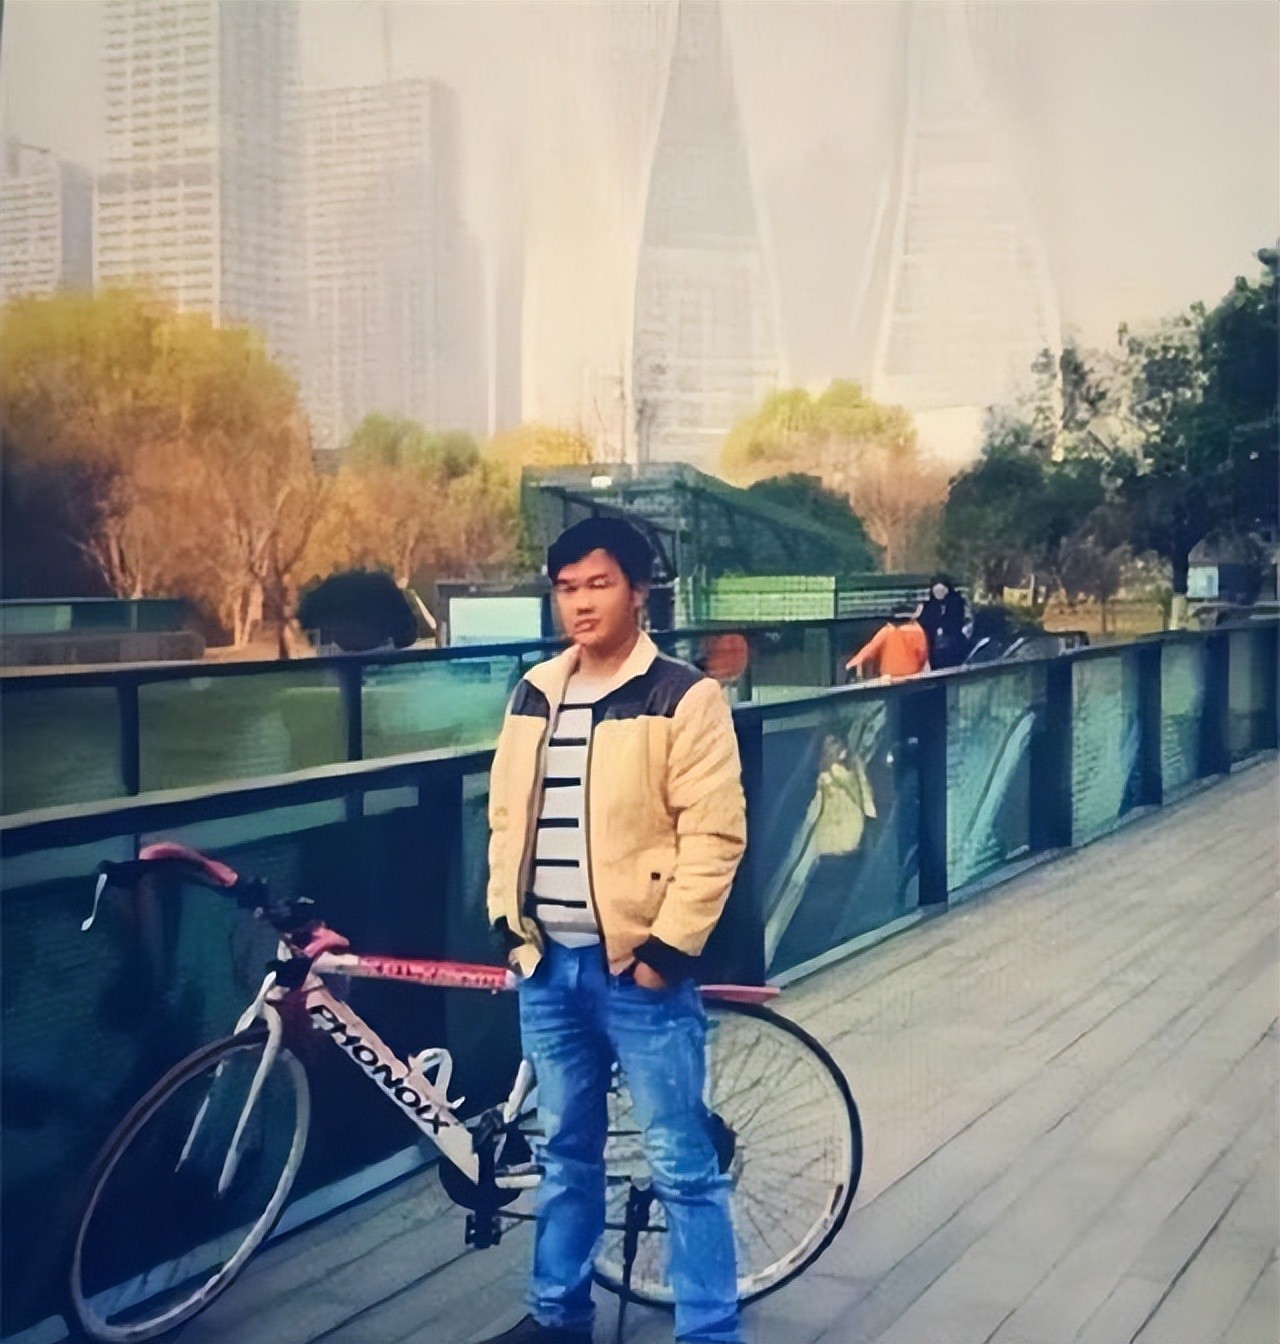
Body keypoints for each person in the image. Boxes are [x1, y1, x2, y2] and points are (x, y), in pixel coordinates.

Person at [481, 515, 748, 1344]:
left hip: (638, 971)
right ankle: (559, 1316)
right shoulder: (535, 691)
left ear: (639, 591)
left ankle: (709, 1331)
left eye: (599, 584)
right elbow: (505, 820)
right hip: (547, 969)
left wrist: (666, 952)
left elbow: (715, 835)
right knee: (565, 1156)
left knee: (681, 1164)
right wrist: (508, 926)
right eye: (566, 588)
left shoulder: (684, 696)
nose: (581, 603)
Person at [845, 602, 930, 680]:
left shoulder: (888, 630)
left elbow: (871, 648)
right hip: (910, 679)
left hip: (889, 680)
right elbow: (922, 656)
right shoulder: (917, 631)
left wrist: (854, 662)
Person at [918, 573, 972, 669]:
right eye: (937, 591)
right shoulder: (929, 607)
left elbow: (963, 624)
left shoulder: (956, 603)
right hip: (935, 651)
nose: (939, 594)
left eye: (942, 591)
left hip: (954, 648)